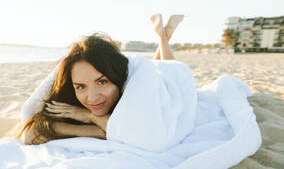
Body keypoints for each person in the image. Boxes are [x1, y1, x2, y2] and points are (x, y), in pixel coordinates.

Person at [13, 14, 184, 145]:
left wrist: (87, 115)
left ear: (118, 78)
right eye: (80, 86)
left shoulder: (133, 86)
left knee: (166, 70)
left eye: (102, 82)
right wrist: (95, 127)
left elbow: (143, 134)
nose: (92, 97)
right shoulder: (69, 99)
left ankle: (162, 36)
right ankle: (164, 36)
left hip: (162, 86)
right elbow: (30, 133)